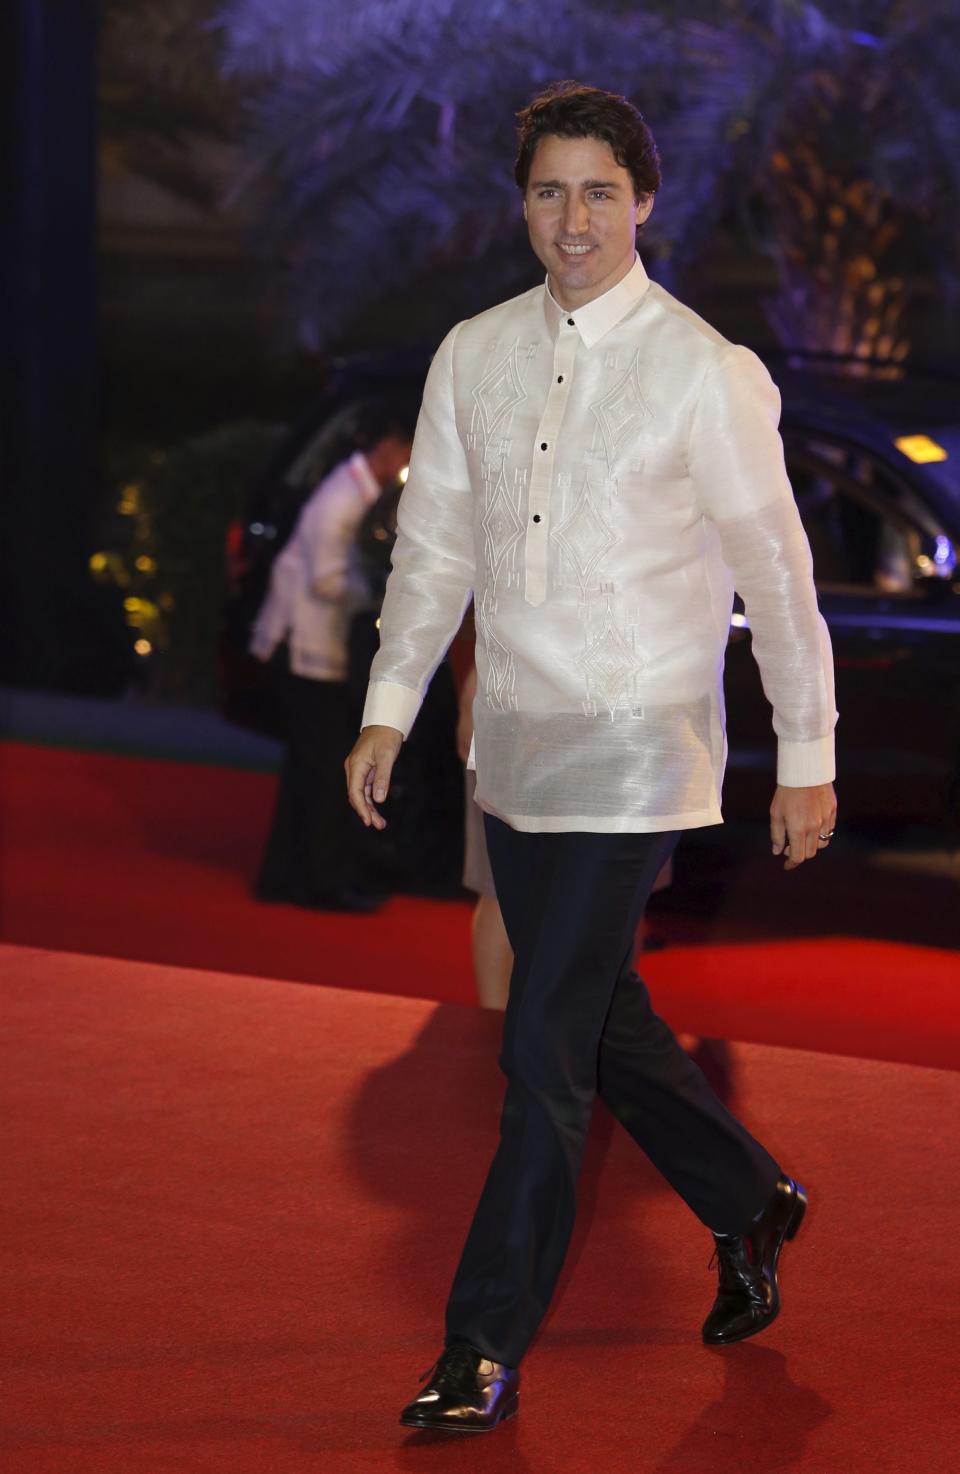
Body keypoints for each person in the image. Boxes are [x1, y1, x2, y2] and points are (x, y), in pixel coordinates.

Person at [345, 81, 838, 1432]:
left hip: (636, 741)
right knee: (602, 1016)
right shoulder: (473, 354)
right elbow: (434, 549)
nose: (574, 218)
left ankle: (480, 1347)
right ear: (523, 203)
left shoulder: (706, 369)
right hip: (514, 736)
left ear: (646, 202)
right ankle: (748, 1198)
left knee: (543, 1047)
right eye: (551, 191)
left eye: (600, 191)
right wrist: (389, 702)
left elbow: (778, 578)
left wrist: (808, 750)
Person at [251, 416, 412, 911]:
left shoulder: (352, 492)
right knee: (319, 768)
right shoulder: (342, 499)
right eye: (407, 453)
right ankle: (315, 878)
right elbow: (325, 580)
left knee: (310, 767)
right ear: (388, 448)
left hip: (311, 646)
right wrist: (378, 597)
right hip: (305, 647)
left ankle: (291, 876)